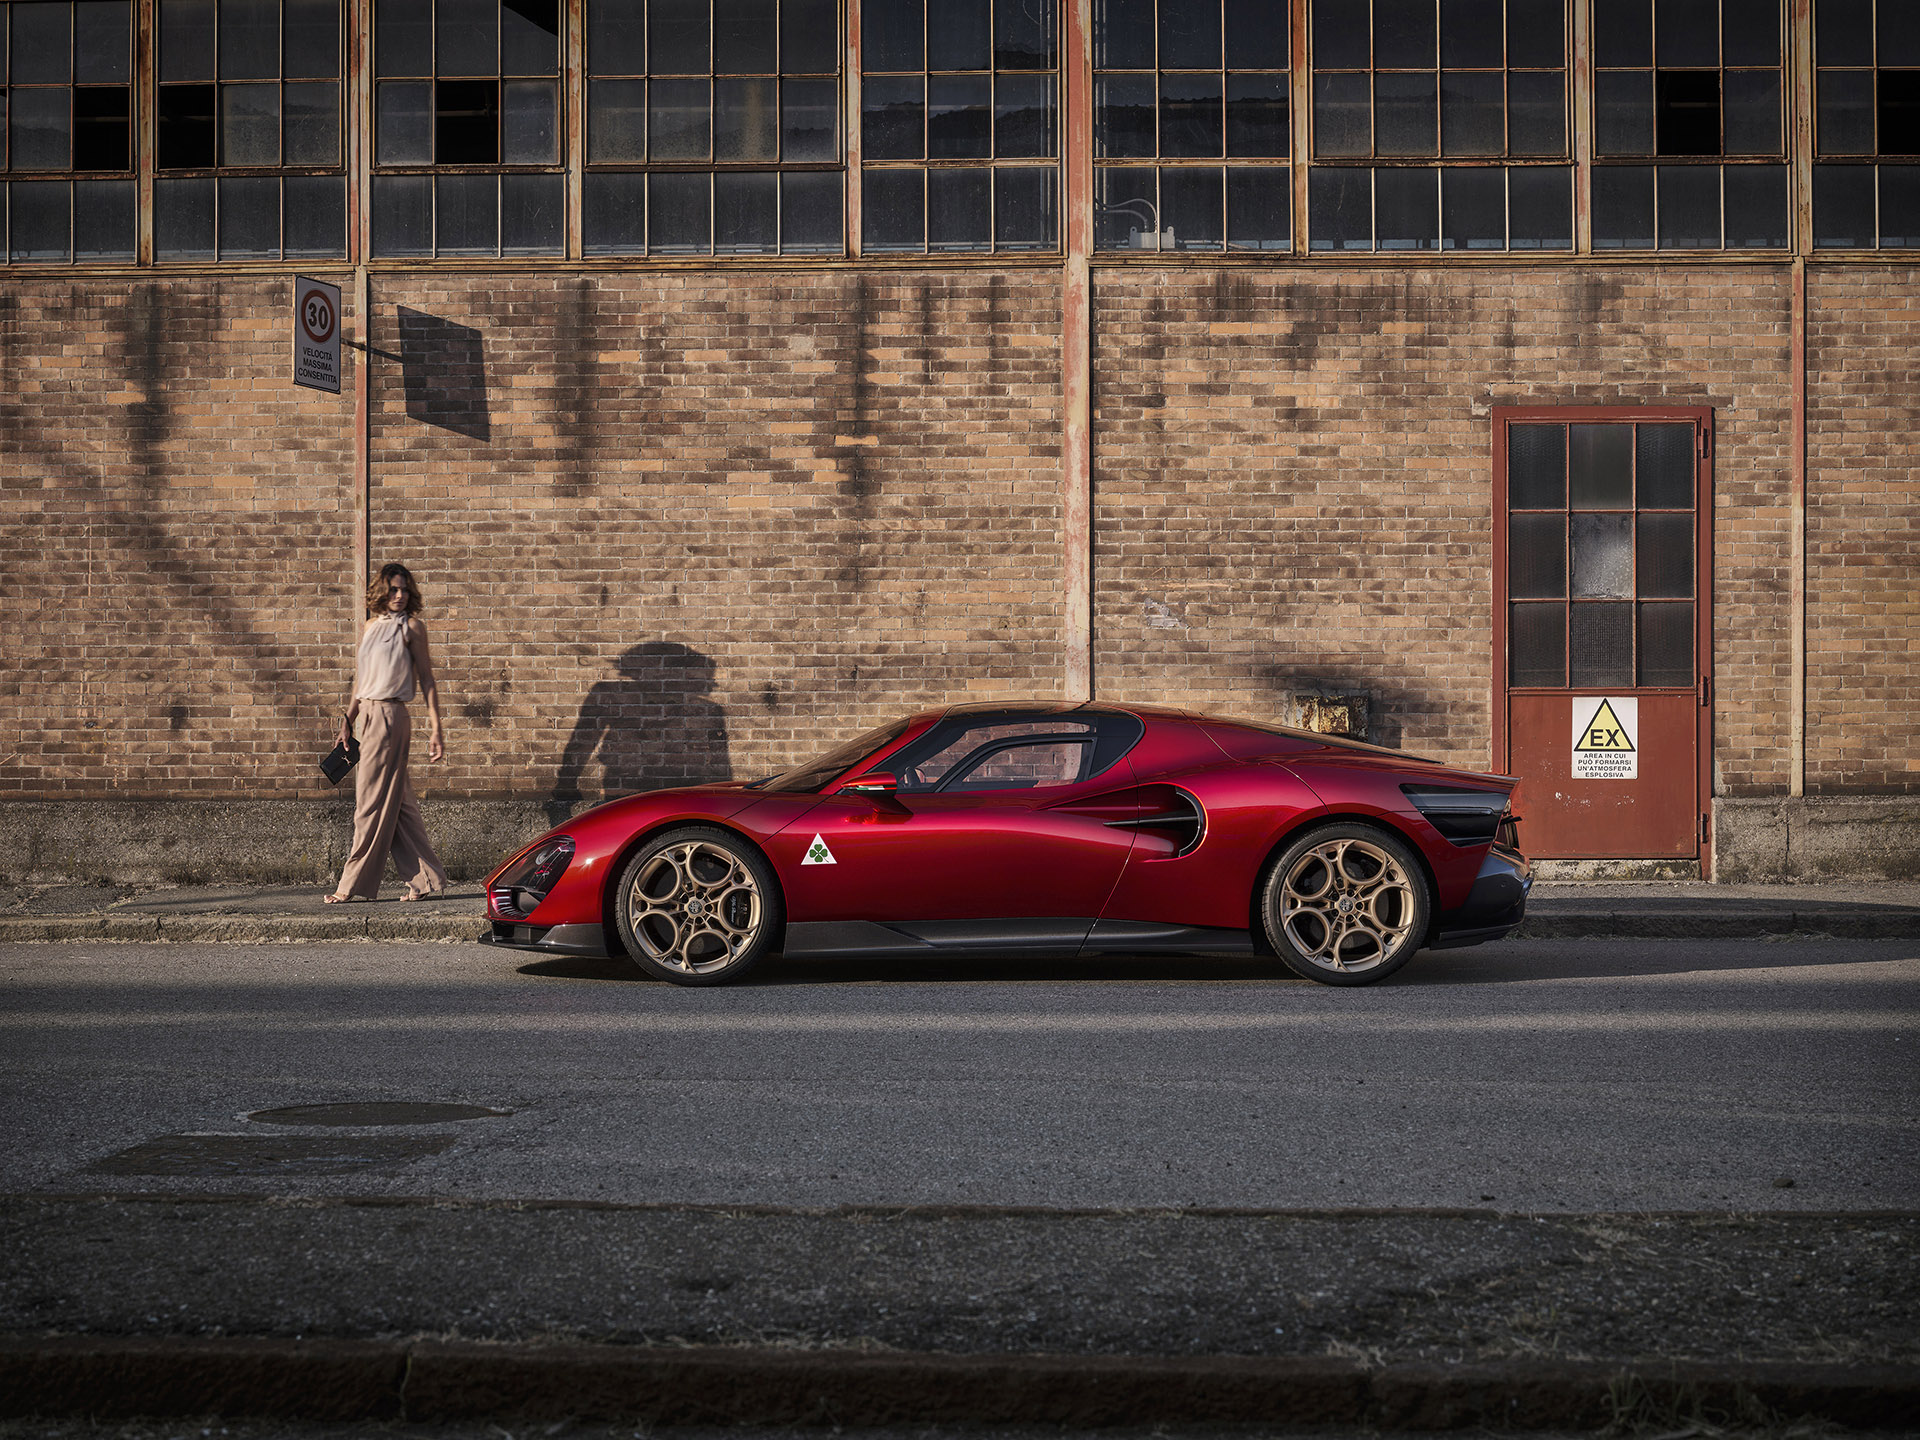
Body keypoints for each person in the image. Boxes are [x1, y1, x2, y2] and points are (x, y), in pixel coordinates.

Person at [325, 564, 450, 903]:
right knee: (400, 803)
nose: (399, 595)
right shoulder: (369, 626)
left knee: (368, 803)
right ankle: (426, 880)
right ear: (382, 590)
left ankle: (351, 886)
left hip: (391, 715)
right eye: (394, 589)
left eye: (405, 590)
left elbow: (427, 680)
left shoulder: (412, 628)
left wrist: (436, 729)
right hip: (366, 714)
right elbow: (361, 680)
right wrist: (347, 720)